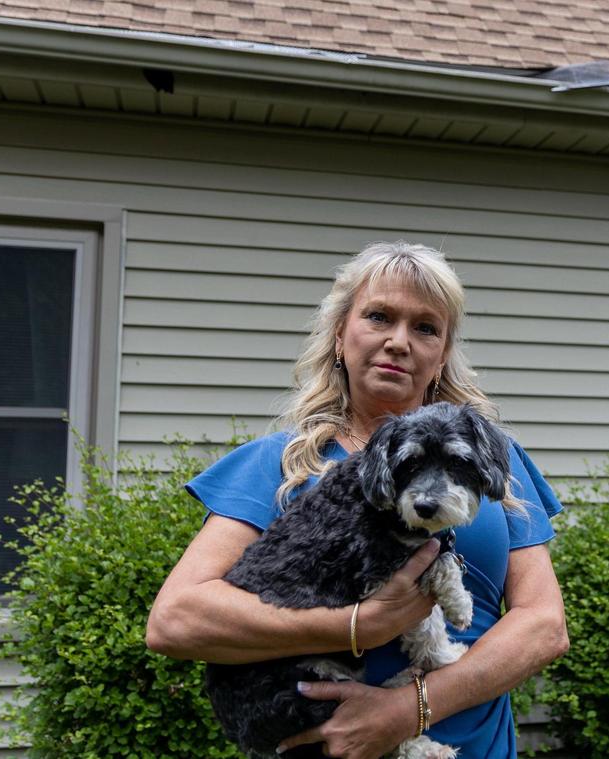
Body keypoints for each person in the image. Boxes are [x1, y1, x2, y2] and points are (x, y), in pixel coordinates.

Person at [146, 241, 569, 759]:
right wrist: (357, 626)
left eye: (425, 328)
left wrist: (407, 711)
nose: (399, 341)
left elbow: (544, 627)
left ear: (441, 356)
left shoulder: (491, 456)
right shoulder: (277, 463)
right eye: (378, 317)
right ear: (340, 337)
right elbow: (177, 621)